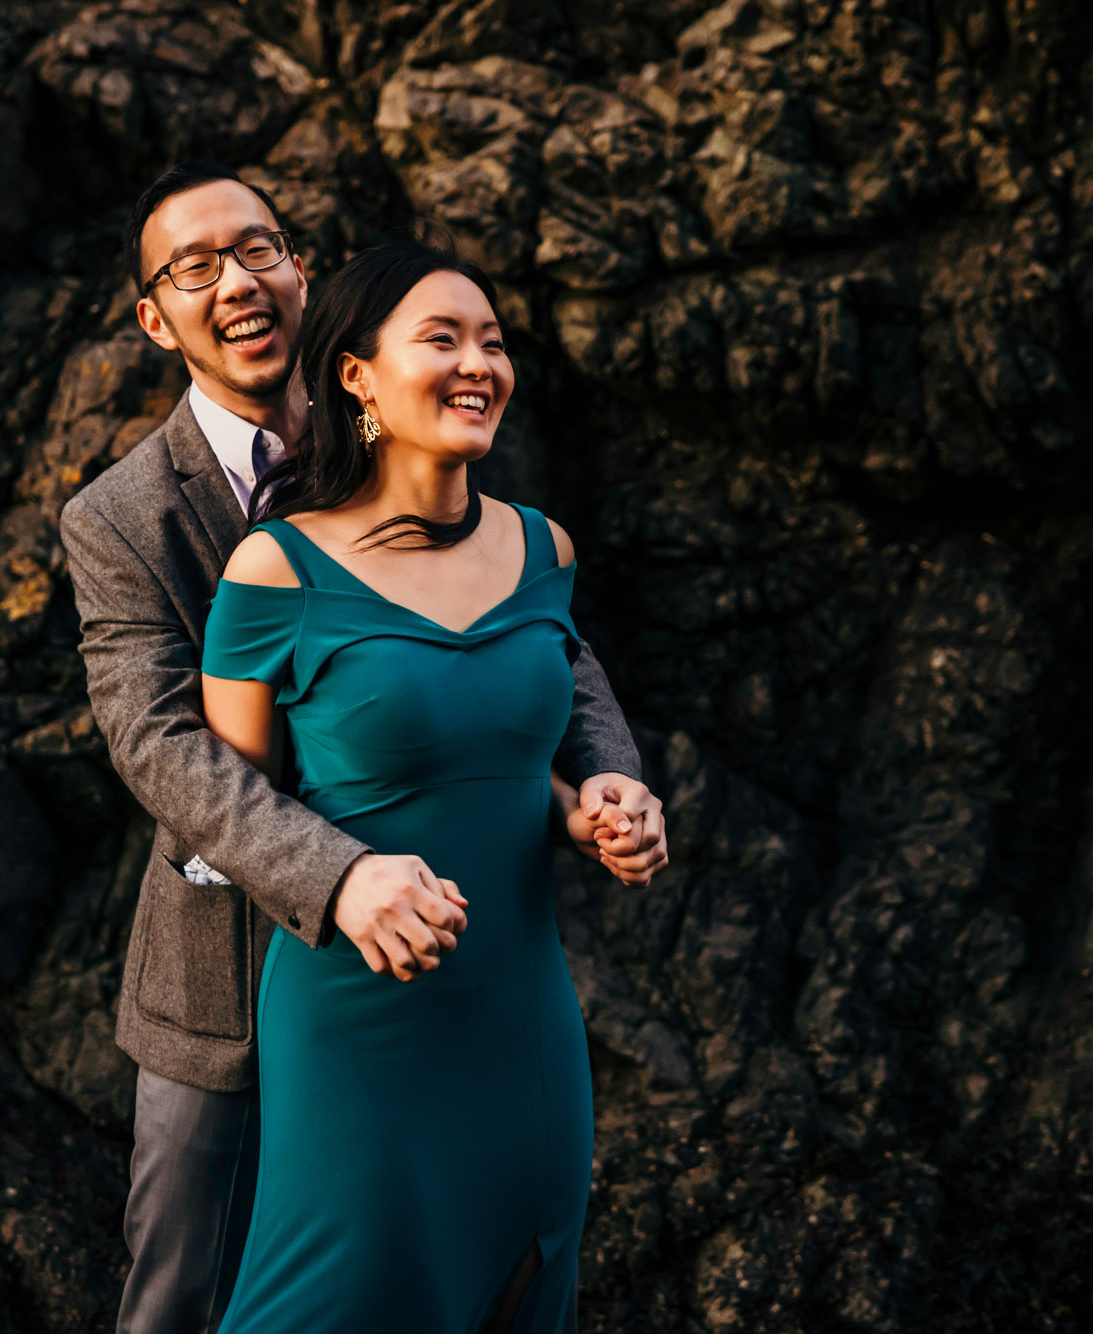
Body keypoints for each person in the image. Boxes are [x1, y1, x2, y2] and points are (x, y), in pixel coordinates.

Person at [59, 160, 669, 1334]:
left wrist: (609, 773)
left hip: (460, 954)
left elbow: (540, 646)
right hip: (227, 964)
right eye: (196, 267)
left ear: (301, 273)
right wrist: (334, 876)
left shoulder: (430, 432)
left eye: (261, 249)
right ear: (153, 317)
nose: (237, 281)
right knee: (184, 1293)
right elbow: (162, 744)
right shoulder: (119, 515)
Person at [200, 231, 642, 1334]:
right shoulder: (275, 569)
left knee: (517, 1292)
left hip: (525, 1017)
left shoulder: (544, 550)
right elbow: (231, 812)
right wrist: (349, 878)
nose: (477, 364)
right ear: (355, 373)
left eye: (491, 342)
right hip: (359, 1025)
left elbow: (511, 749)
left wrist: (595, 804)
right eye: (440, 337)